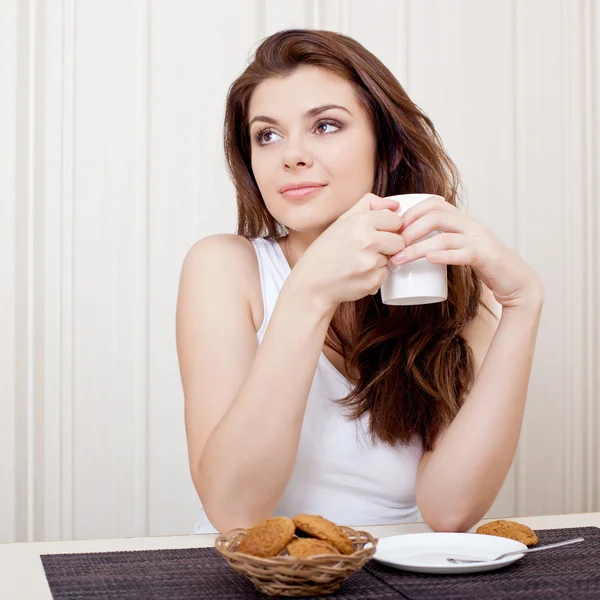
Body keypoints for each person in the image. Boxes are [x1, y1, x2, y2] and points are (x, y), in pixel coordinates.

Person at [176, 29, 544, 535]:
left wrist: (522, 306)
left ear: (384, 144)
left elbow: (450, 511)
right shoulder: (224, 267)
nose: (292, 155)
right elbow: (234, 512)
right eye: (267, 134)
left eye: (325, 125)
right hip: (255, 577)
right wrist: (309, 293)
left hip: (395, 573)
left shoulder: (448, 286)